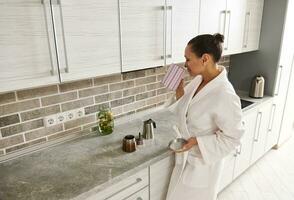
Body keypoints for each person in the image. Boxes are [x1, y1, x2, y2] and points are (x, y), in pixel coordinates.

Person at [165, 33, 245, 200]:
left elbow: (234, 138)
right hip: (185, 159)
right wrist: (179, 90)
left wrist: (198, 142)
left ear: (205, 59)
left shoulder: (225, 94)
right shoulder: (199, 80)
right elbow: (186, 111)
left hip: (201, 165)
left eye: (188, 59)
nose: (185, 64)